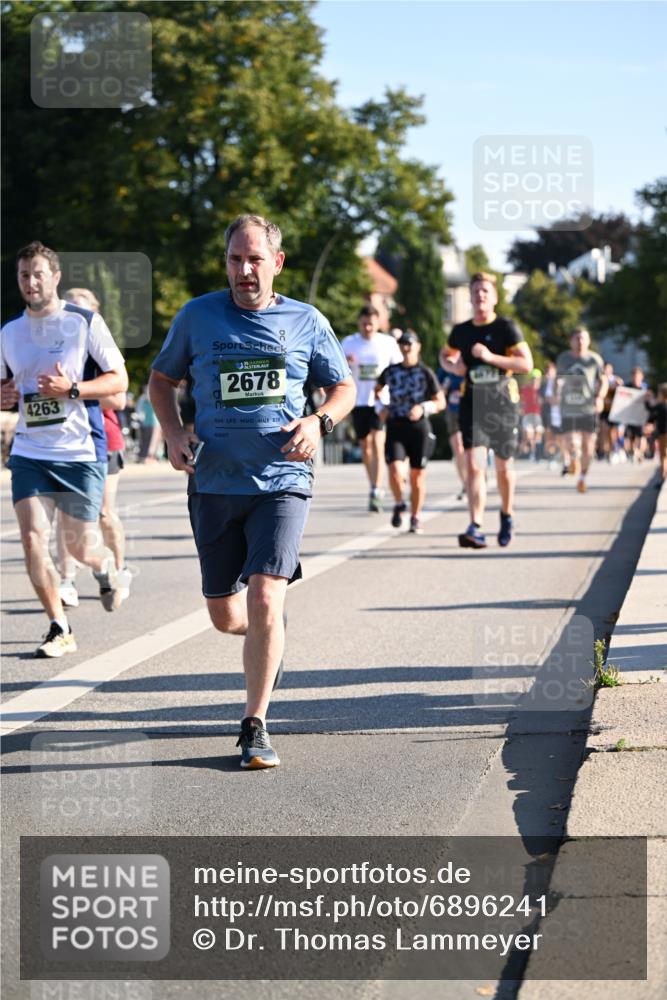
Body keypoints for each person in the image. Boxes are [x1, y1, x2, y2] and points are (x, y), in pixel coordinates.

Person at [148, 214, 355, 770]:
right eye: (235, 259)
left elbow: (344, 387)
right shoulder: (197, 316)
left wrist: (319, 423)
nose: (244, 269)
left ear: (277, 262)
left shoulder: (306, 321)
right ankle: (269, 634)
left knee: (265, 594)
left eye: (255, 259)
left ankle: (254, 726)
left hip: (282, 481)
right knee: (227, 616)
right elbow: (161, 381)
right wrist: (171, 432)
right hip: (213, 483)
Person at [0, 242, 129, 657]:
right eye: (24, 275)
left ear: (55, 277)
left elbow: (119, 383)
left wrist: (72, 388)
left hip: (79, 451)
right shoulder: (9, 333)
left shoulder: (85, 323)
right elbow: (6, 390)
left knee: (78, 548)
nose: (31, 281)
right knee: (32, 535)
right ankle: (59, 626)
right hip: (30, 450)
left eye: (38, 273)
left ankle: (107, 568)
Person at [443, 272, 533, 549]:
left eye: (485, 291)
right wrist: (453, 366)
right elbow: (445, 354)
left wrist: (490, 357)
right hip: (473, 403)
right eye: (476, 291)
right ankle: (476, 525)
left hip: (503, 402)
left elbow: (526, 364)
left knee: (504, 468)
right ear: (470, 297)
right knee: (474, 466)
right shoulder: (461, 330)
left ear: (493, 297)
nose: (480, 296)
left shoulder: (507, 327)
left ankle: (506, 516)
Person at [56, 287, 132, 610]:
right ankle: (66, 580)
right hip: (63, 442)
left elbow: (118, 399)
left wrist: (74, 391)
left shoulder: (99, 347)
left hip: (103, 440)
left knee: (103, 512)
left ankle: (119, 567)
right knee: (64, 515)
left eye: (80, 309)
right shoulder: (53, 349)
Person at [375, 330, 444, 534]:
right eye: (403, 344)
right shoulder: (390, 371)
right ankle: (399, 503)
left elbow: (441, 401)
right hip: (396, 425)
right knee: (395, 470)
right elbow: (377, 391)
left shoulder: (425, 373)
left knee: (417, 475)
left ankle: (415, 516)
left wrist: (424, 408)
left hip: (419, 428)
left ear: (418, 347)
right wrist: (382, 409)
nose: (406, 348)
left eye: (410, 344)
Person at [341, 305, 402, 511]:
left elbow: (399, 370)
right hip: (358, 401)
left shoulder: (388, 343)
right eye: (364, 323)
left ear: (378, 323)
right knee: (365, 447)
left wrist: (395, 398)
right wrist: (346, 363)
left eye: (371, 324)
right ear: (359, 322)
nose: (368, 327)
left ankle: (376, 490)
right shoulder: (349, 343)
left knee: (377, 443)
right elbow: (337, 369)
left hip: (380, 402)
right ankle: (373, 484)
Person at [556, 328, 607, 493]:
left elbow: (603, 381)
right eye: (577, 338)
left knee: (588, 446)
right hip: (568, 406)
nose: (580, 342)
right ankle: (573, 458)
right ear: (571, 341)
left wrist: (600, 397)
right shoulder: (563, 359)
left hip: (588, 407)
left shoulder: (594, 359)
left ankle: (582, 478)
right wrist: (557, 390)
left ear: (589, 341)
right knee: (571, 441)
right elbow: (558, 380)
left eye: (583, 338)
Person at [437, 358, 467, 499]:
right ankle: (466, 483)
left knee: (475, 448)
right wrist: (444, 388)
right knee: (458, 446)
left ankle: (479, 476)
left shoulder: (469, 358)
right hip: (453, 410)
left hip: (472, 408)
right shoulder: (446, 365)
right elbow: (437, 391)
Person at [624, 366, 649, 463]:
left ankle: (640, 453)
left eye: (638, 376)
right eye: (634, 376)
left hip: (641, 416)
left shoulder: (645, 387)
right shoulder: (627, 386)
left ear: (641, 377)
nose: (636, 378)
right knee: (630, 436)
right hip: (630, 415)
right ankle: (632, 452)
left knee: (641, 435)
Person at [520, 368, 544, 461]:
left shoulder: (542, 389)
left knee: (538, 435)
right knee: (528, 434)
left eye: (537, 378)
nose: (534, 380)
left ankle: (536, 453)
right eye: (533, 378)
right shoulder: (525, 389)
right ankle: (532, 452)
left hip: (538, 416)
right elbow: (521, 401)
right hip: (527, 415)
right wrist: (520, 408)